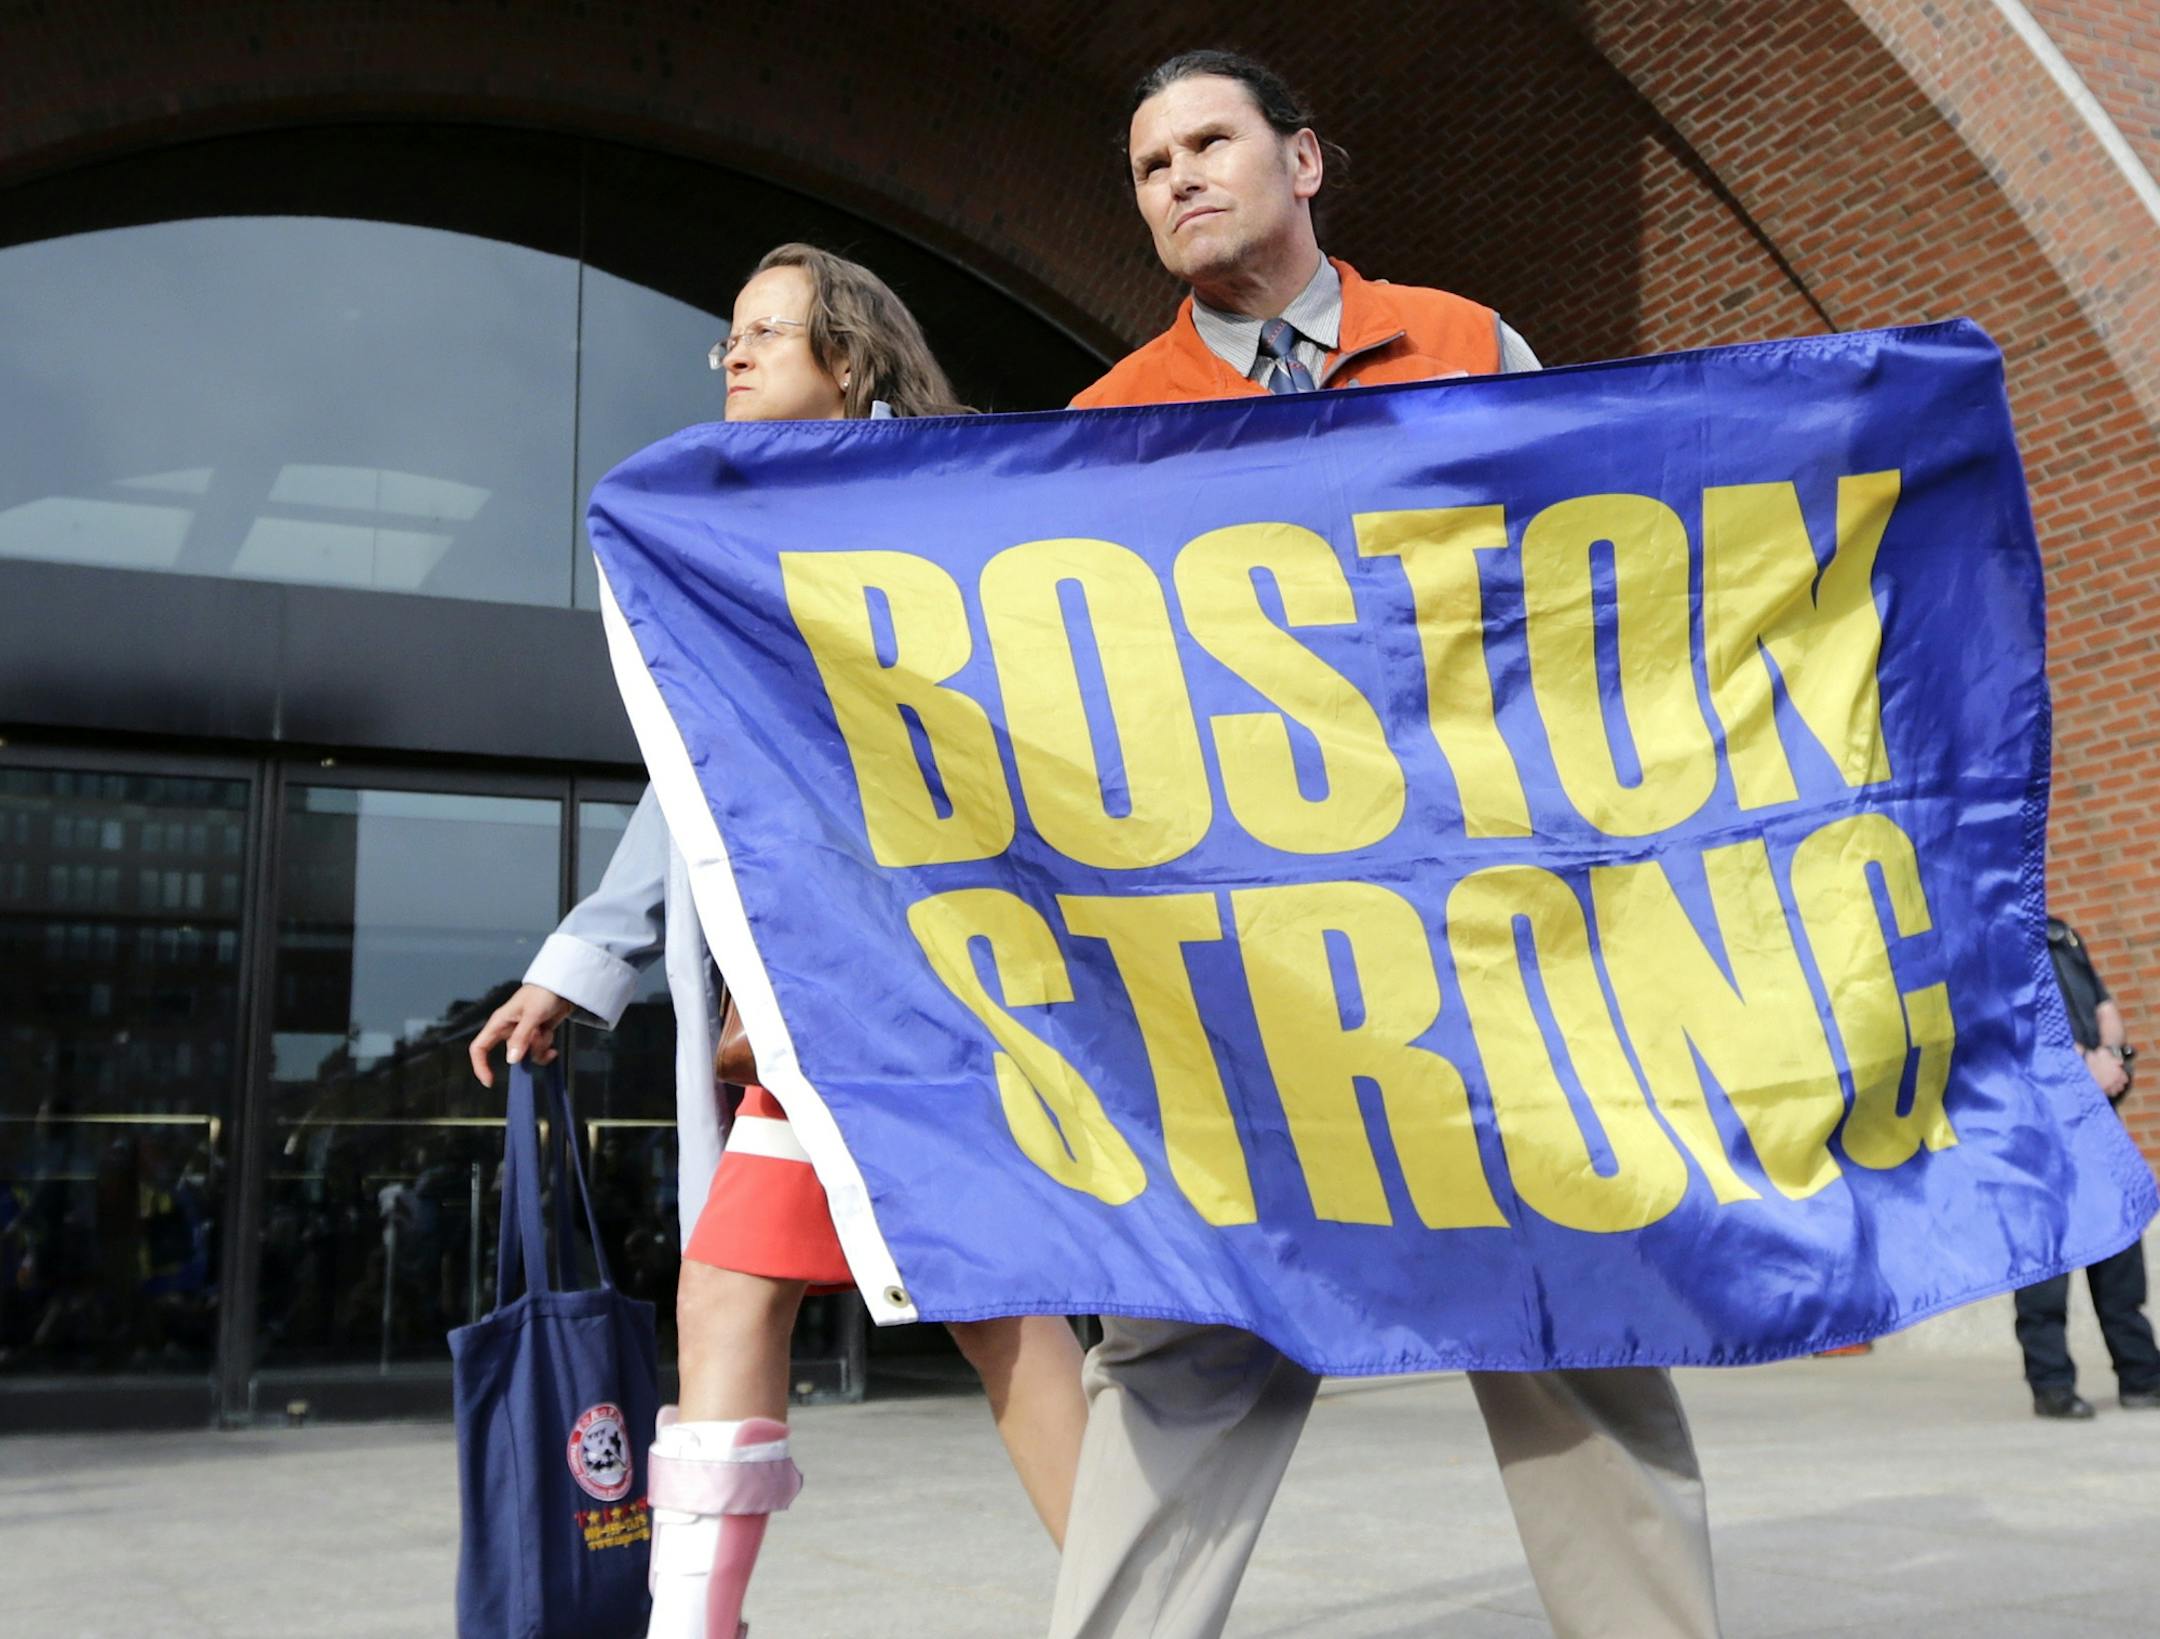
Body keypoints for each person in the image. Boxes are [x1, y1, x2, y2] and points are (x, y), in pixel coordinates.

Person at [1054, 51, 1722, 1639]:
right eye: (1151, 167)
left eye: (1209, 143)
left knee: (1568, 1309)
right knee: (1184, 1337)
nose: (1179, 180)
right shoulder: (1098, 426)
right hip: (1240, 973)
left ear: (1304, 159)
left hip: (1484, 944)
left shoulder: (1475, 343)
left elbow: (1579, 597)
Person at [469, 244, 1088, 1639]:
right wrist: (584, 963)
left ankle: (1138, 1607)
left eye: (767, 333)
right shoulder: (733, 529)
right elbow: (695, 773)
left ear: (850, 360)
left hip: (930, 1001)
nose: (733, 355)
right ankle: (693, 1623)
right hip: (801, 1025)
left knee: (998, 1308)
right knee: (731, 1289)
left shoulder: (948, 515)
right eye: (729, 336)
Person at [2014, 917, 2160, 1420]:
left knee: (2120, 1249)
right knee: (2045, 1261)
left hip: (2096, 1115)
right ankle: (2051, 1383)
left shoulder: (2060, 934)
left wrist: (2112, 1054)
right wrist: (2084, 1066)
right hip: (2040, 1122)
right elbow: (2016, 1024)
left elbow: (2103, 1005)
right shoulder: (1992, 933)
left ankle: (2143, 1376)